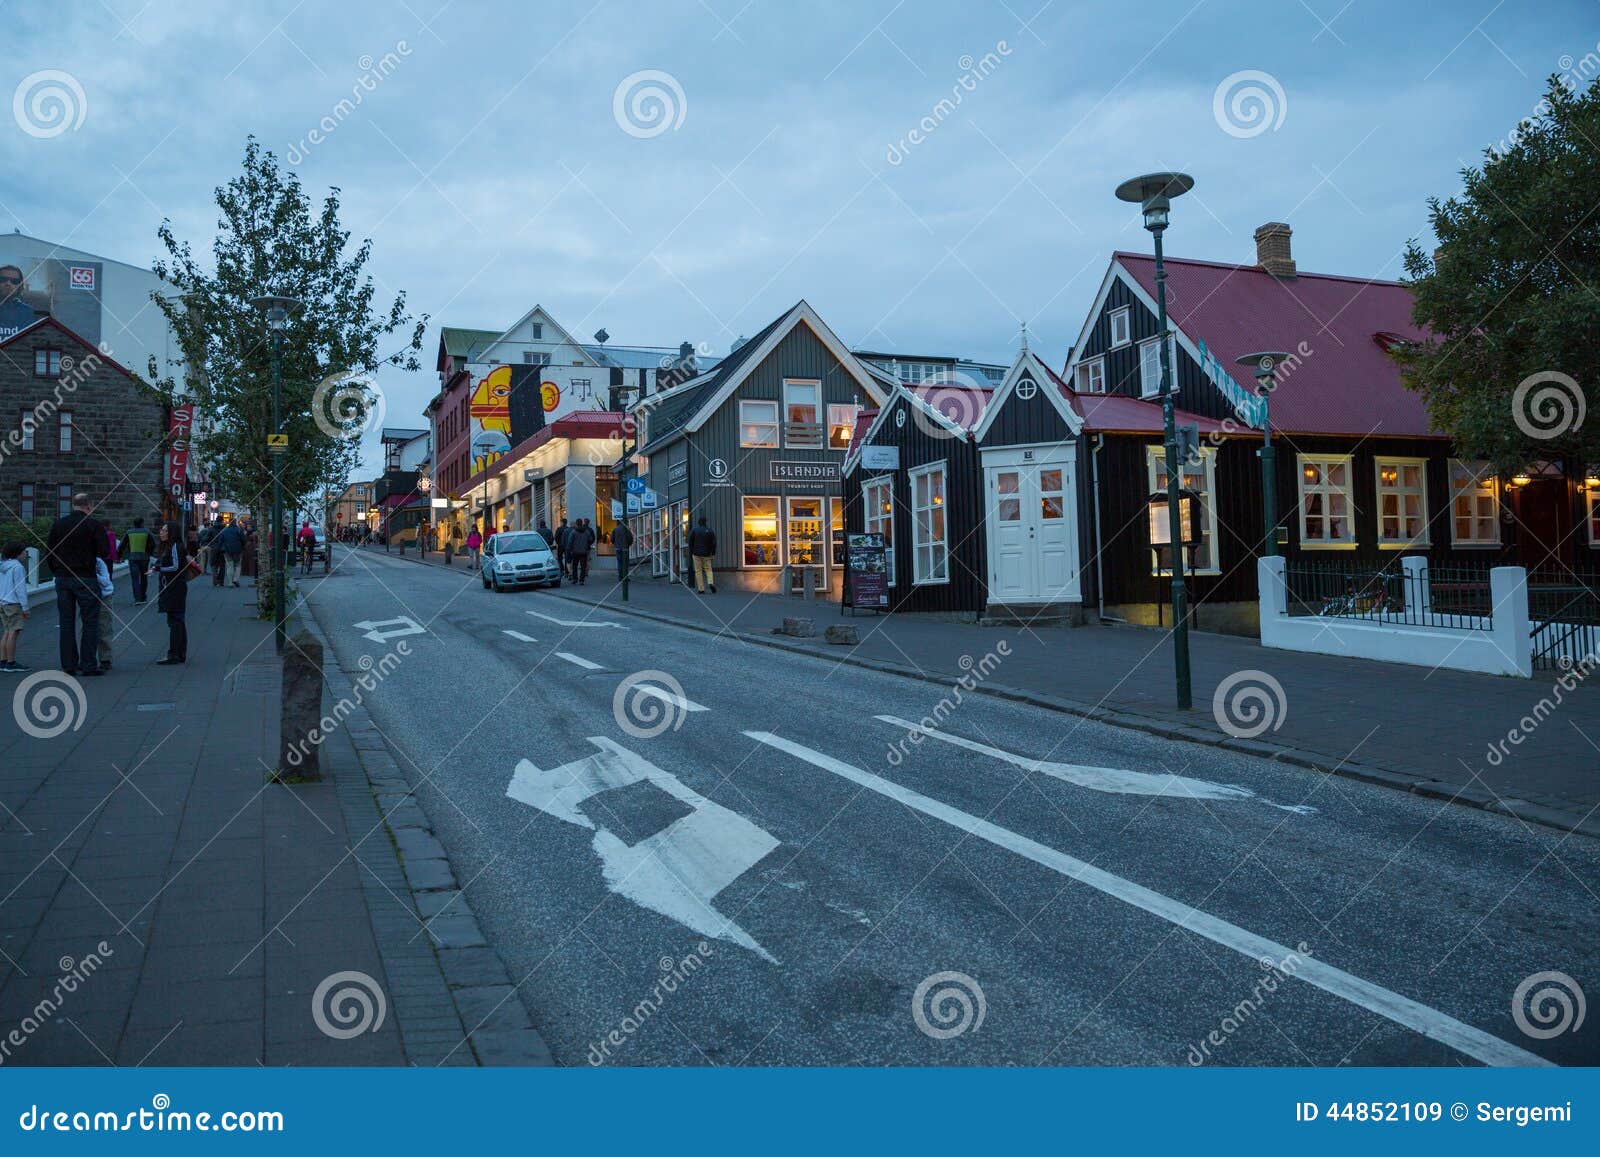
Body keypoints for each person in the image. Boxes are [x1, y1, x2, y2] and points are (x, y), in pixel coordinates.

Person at [44, 492, 108, 676]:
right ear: (89, 506)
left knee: (66, 621)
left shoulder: (59, 525)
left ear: (73, 505)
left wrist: (57, 570)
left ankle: (69, 664)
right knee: (90, 622)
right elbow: (104, 551)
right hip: (86, 577)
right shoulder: (93, 525)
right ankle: (88, 664)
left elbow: (49, 551)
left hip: (63, 578)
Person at [155, 521, 189, 665]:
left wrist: (159, 569)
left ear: (171, 533)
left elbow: (175, 567)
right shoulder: (175, 546)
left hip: (174, 587)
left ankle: (174, 654)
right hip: (176, 586)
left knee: (175, 621)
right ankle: (180, 653)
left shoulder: (174, 546)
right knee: (178, 620)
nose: (161, 533)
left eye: (164, 530)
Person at [0, 542, 30, 673]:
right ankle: (11, 663)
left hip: (3, 602)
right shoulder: (18, 567)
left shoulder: (3, 566)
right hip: (13, 603)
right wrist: (25, 608)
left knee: (7, 631)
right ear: (17, 553)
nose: (25, 554)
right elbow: (20, 589)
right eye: (24, 552)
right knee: (14, 632)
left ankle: (3, 661)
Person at [119, 517, 153, 603]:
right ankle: (143, 597)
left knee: (135, 579)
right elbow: (152, 544)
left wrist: (120, 556)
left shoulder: (129, 532)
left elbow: (122, 545)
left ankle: (137, 599)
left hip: (132, 558)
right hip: (144, 558)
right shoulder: (147, 532)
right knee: (144, 577)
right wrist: (149, 553)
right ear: (142, 523)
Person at [0, 264, 38, 341]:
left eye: (14, 281)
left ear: (20, 286)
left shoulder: (27, 312)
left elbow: (31, 342)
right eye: (3, 279)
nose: (8, 283)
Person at [94, 556, 116, 670]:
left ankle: (106, 658)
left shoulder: (99, 562)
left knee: (105, 626)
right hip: (87, 597)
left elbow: (106, 581)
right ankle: (87, 658)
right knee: (86, 628)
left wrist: (93, 575)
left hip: (104, 596)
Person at [688, 516, 717, 594]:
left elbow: (690, 542)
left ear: (699, 522)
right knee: (708, 569)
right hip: (707, 554)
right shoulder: (710, 531)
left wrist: (691, 552)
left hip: (696, 553)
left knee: (698, 571)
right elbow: (714, 543)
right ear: (706, 522)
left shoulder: (694, 530)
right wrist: (713, 553)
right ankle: (710, 582)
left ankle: (701, 589)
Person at [215, 519, 246, 587]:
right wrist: (243, 547)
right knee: (237, 565)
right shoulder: (239, 530)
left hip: (227, 550)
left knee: (229, 566)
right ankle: (235, 579)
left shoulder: (224, 530)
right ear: (235, 523)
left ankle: (229, 582)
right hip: (237, 550)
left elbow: (220, 541)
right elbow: (243, 540)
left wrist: (218, 549)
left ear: (229, 523)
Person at [568, 518, 594, 585]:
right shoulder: (586, 531)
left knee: (574, 566)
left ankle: (575, 579)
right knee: (583, 566)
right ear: (582, 523)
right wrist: (587, 545)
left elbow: (570, 542)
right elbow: (591, 539)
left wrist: (570, 549)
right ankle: (581, 580)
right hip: (584, 551)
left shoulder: (573, 532)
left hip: (575, 551)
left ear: (576, 523)